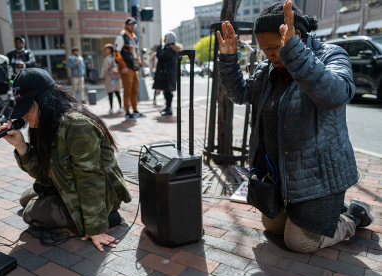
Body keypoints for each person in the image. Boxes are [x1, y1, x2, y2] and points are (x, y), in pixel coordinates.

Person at [216, 0, 373, 253]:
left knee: (298, 242)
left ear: (295, 36)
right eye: (264, 50)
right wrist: (228, 59)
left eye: (275, 48)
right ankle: (324, 214)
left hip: (319, 179)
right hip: (283, 177)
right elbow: (242, 94)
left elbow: (335, 94)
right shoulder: (268, 69)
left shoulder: (331, 55)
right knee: (272, 227)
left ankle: (352, 216)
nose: (270, 56)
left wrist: (294, 53)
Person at [0, 68, 132, 252]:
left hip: (101, 195)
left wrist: (95, 228)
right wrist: (21, 146)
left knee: (30, 213)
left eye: (28, 107)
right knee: (25, 199)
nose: (25, 116)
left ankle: (109, 216)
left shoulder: (76, 125)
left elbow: (90, 179)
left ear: (44, 100)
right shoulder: (45, 123)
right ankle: (70, 211)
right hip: (66, 184)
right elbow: (41, 173)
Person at [114, 17, 145, 120]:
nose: (133, 26)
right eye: (131, 24)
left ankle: (135, 110)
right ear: (126, 25)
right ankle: (127, 112)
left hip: (135, 67)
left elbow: (136, 53)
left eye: (134, 25)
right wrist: (123, 66)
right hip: (127, 68)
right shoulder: (122, 36)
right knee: (127, 90)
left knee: (135, 90)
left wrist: (140, 64)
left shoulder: (134, 37)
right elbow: (116, 52)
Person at [152, 32, 182, 116]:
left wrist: (159, 46)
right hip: (167, 74)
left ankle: (169, 109)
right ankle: (167, 108)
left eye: (165, 38)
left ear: (169, 39)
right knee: (167, 92)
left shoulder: (170, 49)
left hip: (168, 75)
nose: (164, 40)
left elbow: (160, 55)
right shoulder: (170, 48)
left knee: (168, 92)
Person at [99, 43, 123, 114]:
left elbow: (105, 69)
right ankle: (121, 107)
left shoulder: (107, 58)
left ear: (110, 49)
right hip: (117, 77)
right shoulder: (117, 56)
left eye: (106, 49)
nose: (105, 51)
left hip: (109, 77)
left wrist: (102, 77)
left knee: (110, 93)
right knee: (117, 93)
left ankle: (111, 109)